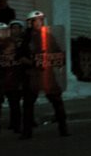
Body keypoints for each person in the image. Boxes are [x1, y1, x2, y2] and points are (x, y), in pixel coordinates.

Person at [19, 10, 70, 138]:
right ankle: (27, 131)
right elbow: (20, 56)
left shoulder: (48, 37)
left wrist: (58, 60)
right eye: (37, 20)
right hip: (32, 75)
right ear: (30, 23)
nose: (40, 22)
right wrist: (32, 63)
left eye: (41, 20)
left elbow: (58, 52)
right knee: (28, 104)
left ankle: (63, 128)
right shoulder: (25, 38)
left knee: (57, 100)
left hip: (47, 74)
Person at [0, 22, 21, 134]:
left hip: (12, 77)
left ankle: (16, 125)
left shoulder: (15, 45)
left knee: (14, 103)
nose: (2, 34)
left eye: (3, 31)